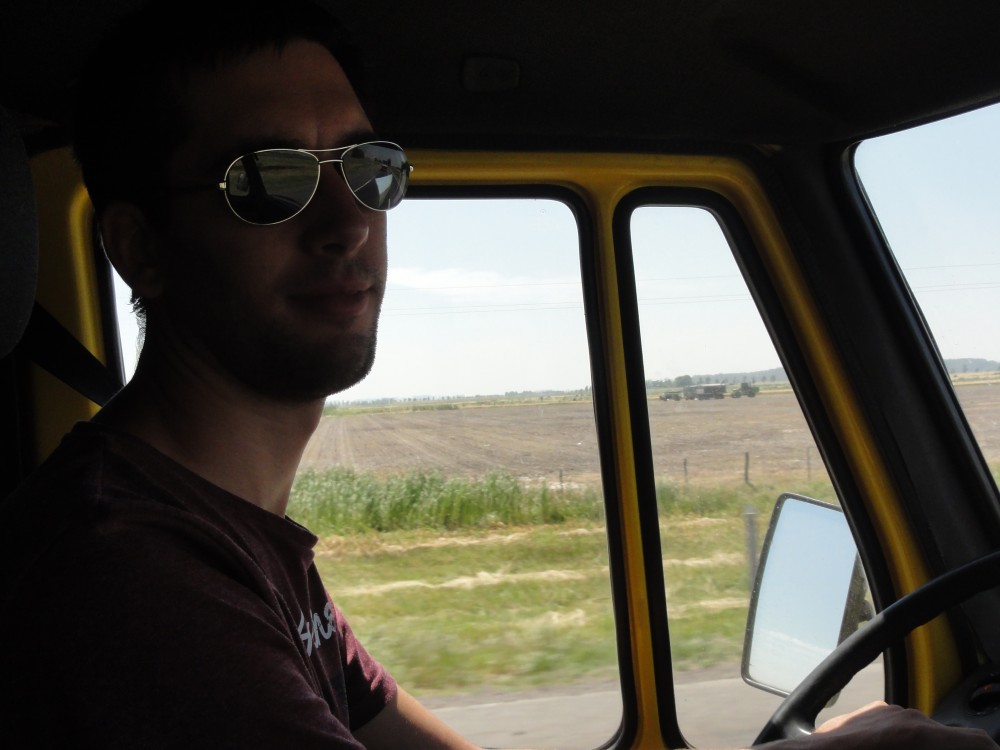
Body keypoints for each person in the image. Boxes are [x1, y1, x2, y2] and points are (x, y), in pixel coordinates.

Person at [0, 1, 995, 748]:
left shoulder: (233, 537)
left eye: (366, 167)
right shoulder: (128, 583)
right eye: (268, 181)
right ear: (139, 248)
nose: (347, 221)